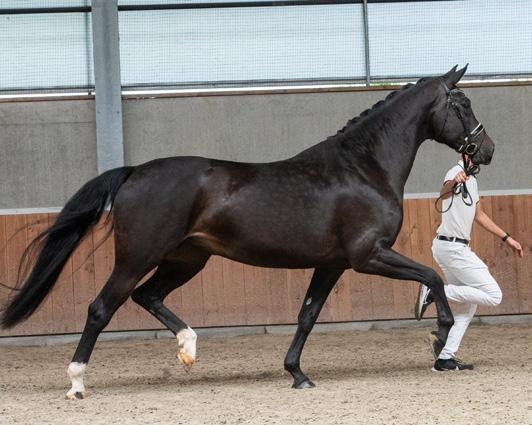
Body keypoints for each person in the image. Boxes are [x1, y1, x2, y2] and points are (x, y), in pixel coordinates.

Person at [415, 155, 523, 372]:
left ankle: (445, 358)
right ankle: (434, 291)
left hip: (452, 248)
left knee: (468, 306)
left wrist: (507, 238)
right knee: (494, 296)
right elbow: (443, 193)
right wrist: (455, 181)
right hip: (453, 248)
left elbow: (479, 215)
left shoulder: (472, 180)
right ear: (465, 154)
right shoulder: (454, 172)